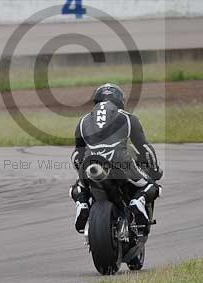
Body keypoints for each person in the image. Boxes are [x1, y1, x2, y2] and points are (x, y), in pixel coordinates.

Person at [69, 83, 162, 234]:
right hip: (119, 161)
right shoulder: (128, 118)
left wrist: (82, 171)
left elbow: (76, 156)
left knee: (77, 188)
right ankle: (137, 201)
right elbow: (144, 149)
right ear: (120, 101)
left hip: (89, 163)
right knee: (152, 185)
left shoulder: (82, 121)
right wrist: (154, 170)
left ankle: (82, 203)